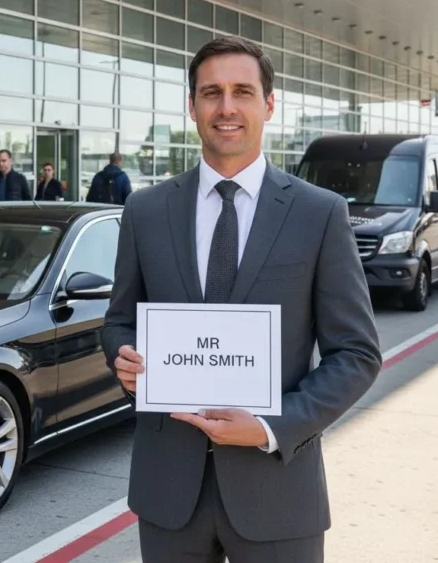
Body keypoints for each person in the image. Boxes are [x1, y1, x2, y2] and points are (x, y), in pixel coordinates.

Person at [101, 35, 382, 562]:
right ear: (192, 106)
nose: (226, 107)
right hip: (168, 490)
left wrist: (273, 427)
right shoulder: (145, 210)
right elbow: (118, 323)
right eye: (211, 93)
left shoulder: (319, 213)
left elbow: (357, 355)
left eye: (242, 92)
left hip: (277, 491)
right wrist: (126, 359)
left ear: (269, 104)